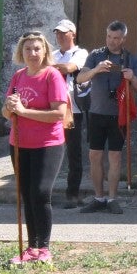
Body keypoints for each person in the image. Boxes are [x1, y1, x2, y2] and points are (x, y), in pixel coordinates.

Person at [2, 32, 69, 265]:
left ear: (45, 52)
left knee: (40, 192)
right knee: (27, 194)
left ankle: (45, 249)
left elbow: (59, 114)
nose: (33, 53)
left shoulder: (52, 76)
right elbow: (6, 111)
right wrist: (10, 108)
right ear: (22, 52)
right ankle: (31, 248)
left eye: (37, 49)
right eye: (28, 49)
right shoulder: (18, 76)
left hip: (47, 144)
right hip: (20, 143)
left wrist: (23, 111)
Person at [75, 21, 137, 214]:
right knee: (94, 155)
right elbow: (80, 78)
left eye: (116, 38)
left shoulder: (130, 59)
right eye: (109, 37)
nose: (112, 42)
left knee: (115, 156)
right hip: (96, 113)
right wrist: (96, 69)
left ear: (123, 38)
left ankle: (112, 198)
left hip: (118, 115)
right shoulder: (95, 55)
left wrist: (132, 78)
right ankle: (98, 197)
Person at [50, 20, 88, 208]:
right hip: (52, 108)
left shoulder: (80, 53)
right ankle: (45, 191)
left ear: (73, 34)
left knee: (74, 152)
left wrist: (48, 68)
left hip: (72, 110)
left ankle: (72, 193)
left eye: (64, 33)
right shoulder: (53, 55)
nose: (59, 37)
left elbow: (70, 68)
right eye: (57, 33)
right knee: (50, 150)